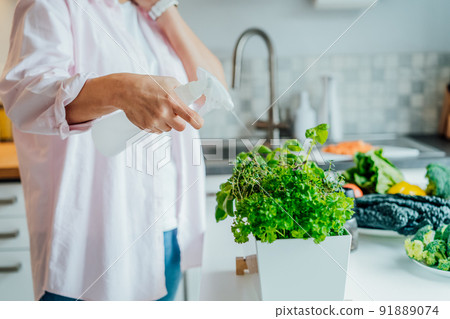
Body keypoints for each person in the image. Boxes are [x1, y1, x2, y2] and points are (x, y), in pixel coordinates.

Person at [0, 0, 226, 301]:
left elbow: (215, 89)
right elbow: (25, 95)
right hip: (92, 238)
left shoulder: (152, 16)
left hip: (165, 230)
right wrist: (122, 90)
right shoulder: (53, 5)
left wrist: (164, 9)